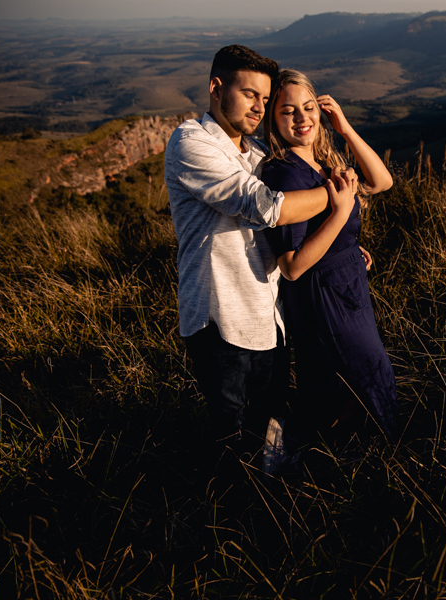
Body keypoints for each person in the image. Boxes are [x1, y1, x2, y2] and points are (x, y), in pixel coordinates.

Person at [164, 46, 357, 478]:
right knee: (229, 436)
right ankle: (227, 510)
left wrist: (342, 245)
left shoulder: (256, 154)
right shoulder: (191, 142)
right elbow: (267, 206)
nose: (259, 107)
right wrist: (340, 198)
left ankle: (270, 499)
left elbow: (295, 226)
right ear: (216, 88)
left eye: (265, 99)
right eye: (249, 94)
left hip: (269, 318)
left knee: (270, 426)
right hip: (220, 319)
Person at [260, 69, 397, 443]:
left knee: (353, 381)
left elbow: (381, 182)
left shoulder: (323, 162)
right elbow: (292, 266)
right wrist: (340, 215)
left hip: (348, 286)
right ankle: (370, 455)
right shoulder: (284, 174)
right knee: (365, 377)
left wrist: (344, 128)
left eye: (308, 107)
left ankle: (341, 456)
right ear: (273, 119)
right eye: (288, 111)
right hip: (322, 297)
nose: (302, 118)